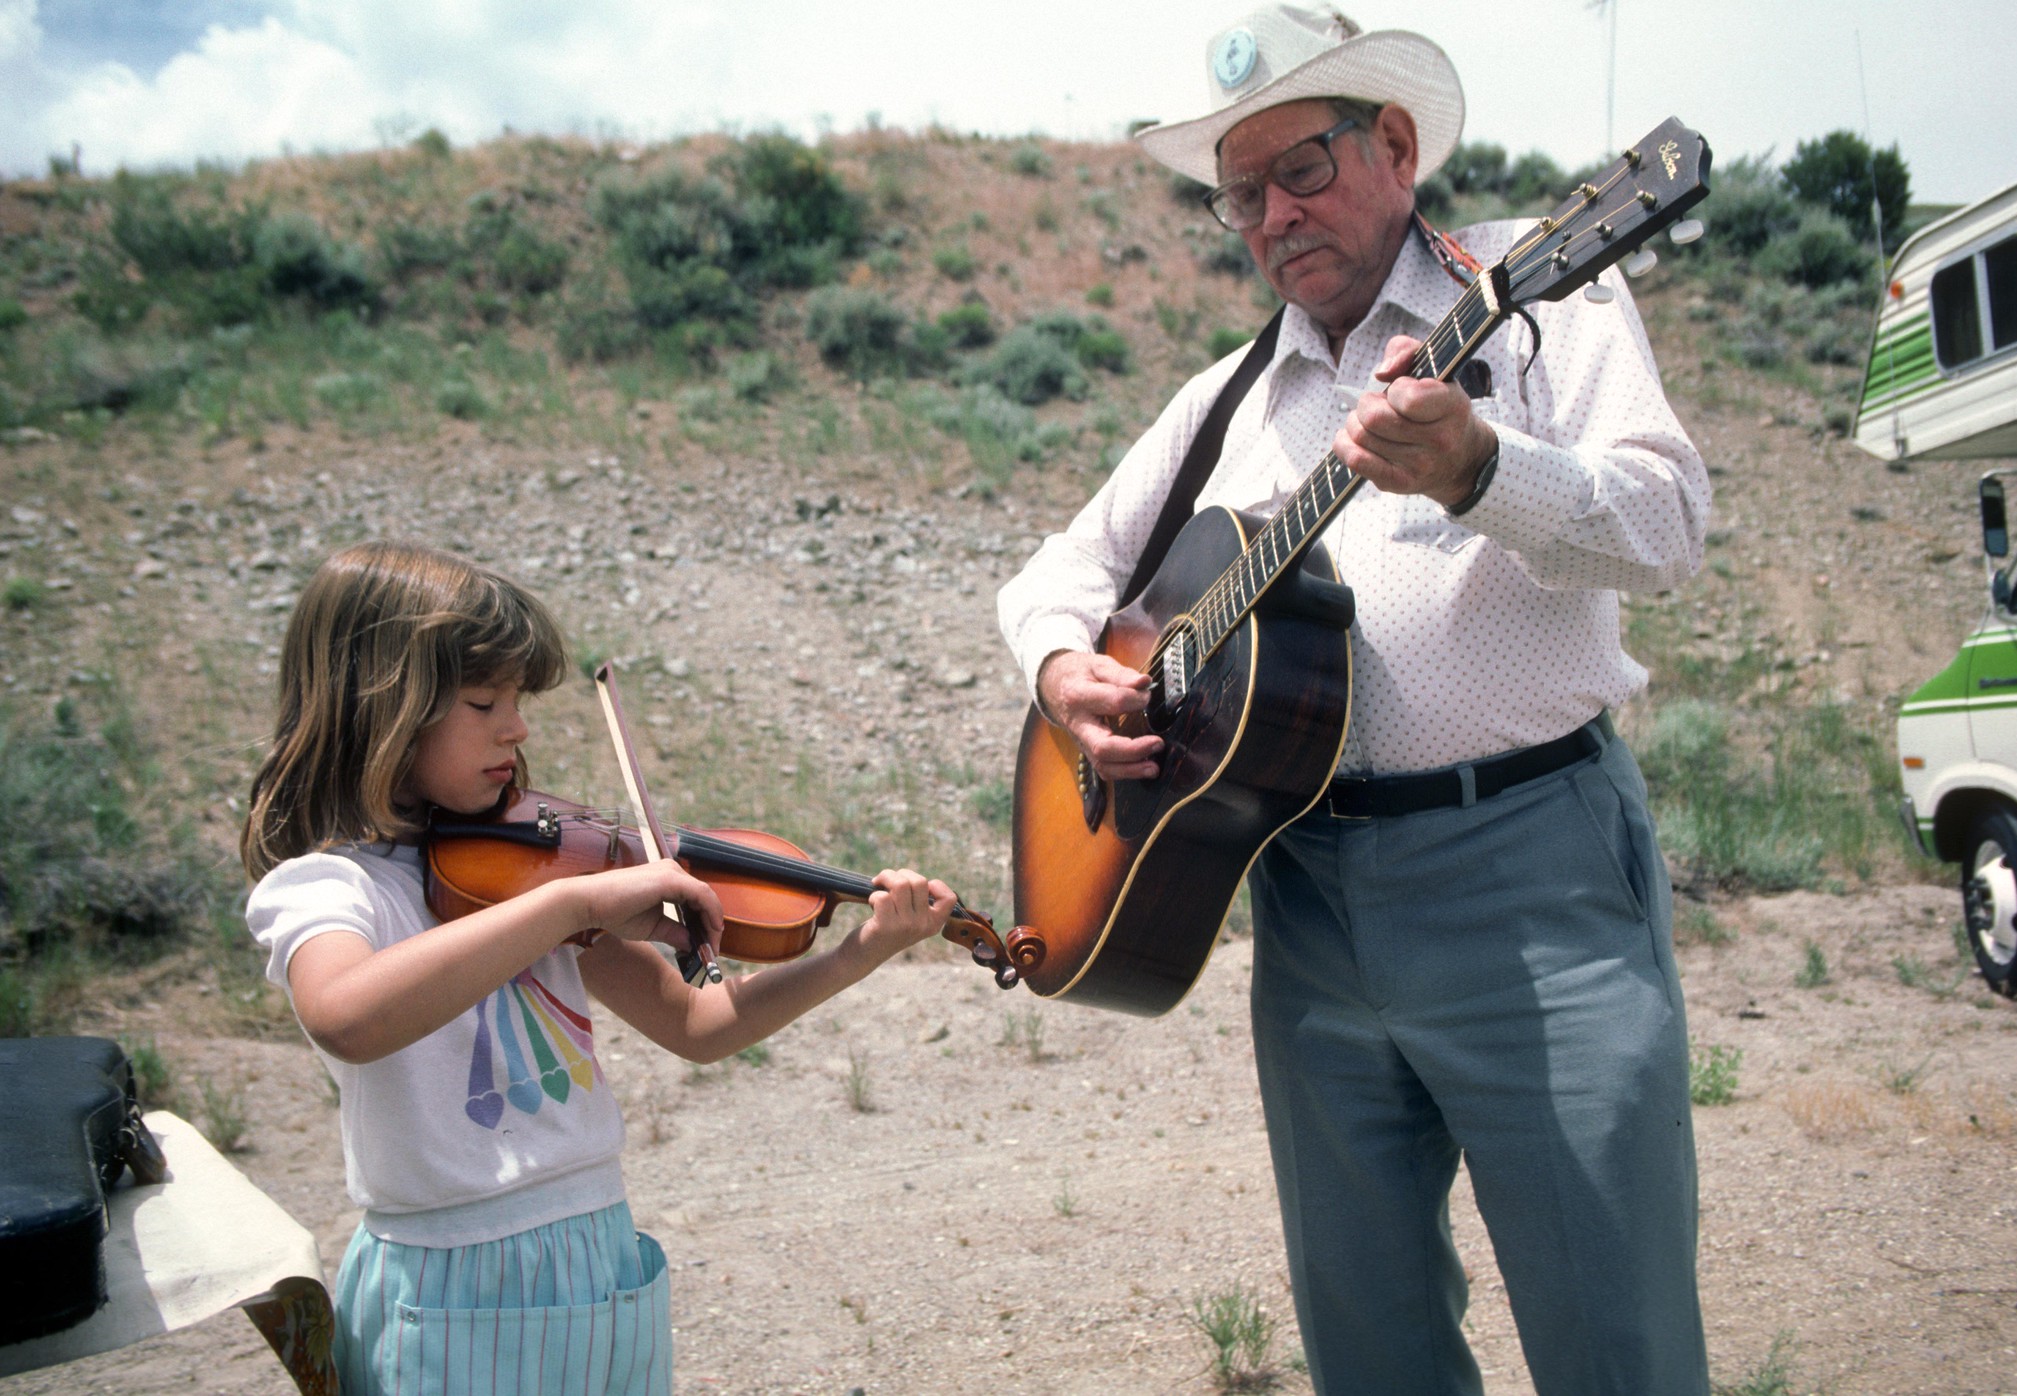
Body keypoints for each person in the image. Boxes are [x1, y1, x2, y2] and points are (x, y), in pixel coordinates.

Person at [998, 6, 1711, 1394]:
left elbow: (1670, 527)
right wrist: (1062, 668)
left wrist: (1481, 469)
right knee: (1367, 1342)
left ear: (1394, 143)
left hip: (1534, 880)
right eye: (1240, 195)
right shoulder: (1229, 399)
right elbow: (1054, 574)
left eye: (1301, 171)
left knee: (1611, 1335)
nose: (1272, 216)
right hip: (1308, 903)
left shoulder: (1539, 293)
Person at [241, 540, 956, 1396]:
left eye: (517, 699)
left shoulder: (525, 867)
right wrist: (570, 908)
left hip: (595, 1252)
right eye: (483, 701)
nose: (517, 726)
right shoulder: (331, 888)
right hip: (448, 1280)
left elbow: (699, 1025)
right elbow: (347, 1017)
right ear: (381, 709)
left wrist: (856, 953)